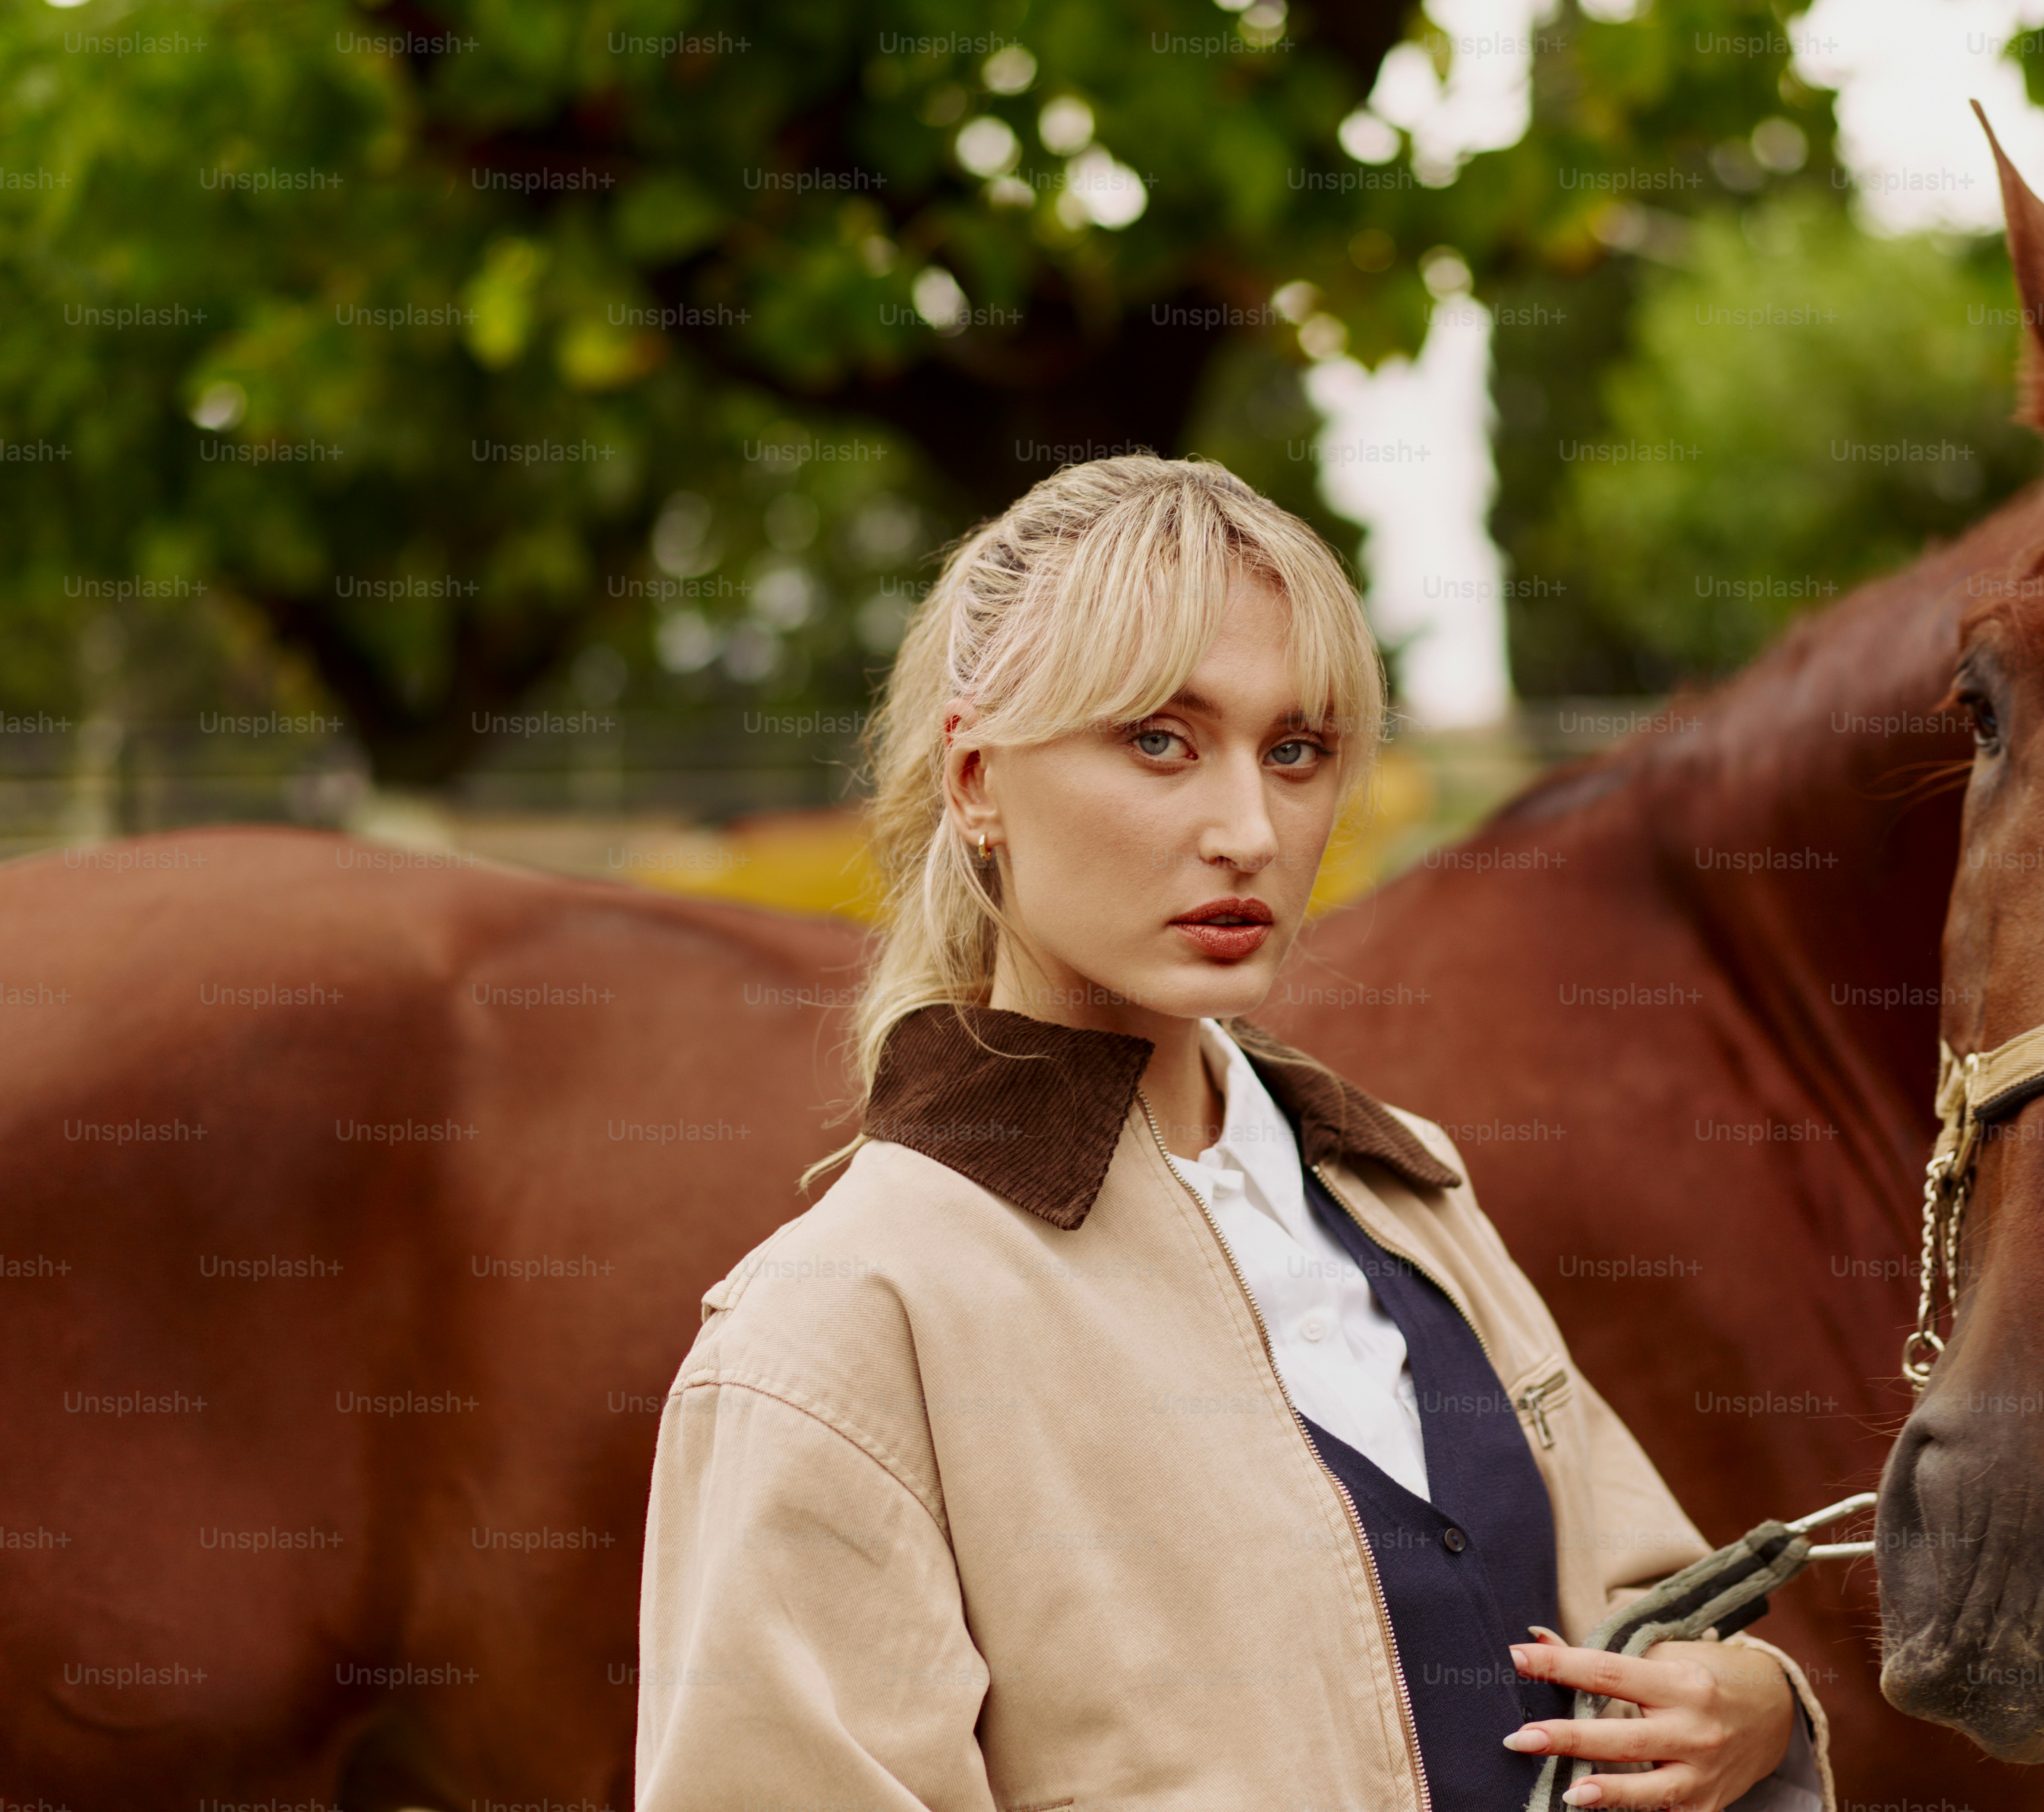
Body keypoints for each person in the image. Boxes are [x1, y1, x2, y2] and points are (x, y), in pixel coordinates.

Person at [634, 455, 1834, 1811]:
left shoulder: (1408, 1191)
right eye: (1159, 739)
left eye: (1297, 751)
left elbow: (1642, 1618)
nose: (1251, 831)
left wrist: (1750, 1713)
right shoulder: (838, 1323)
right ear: (975, 778)